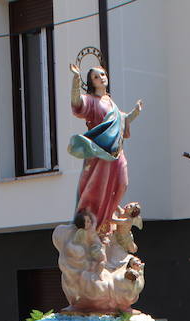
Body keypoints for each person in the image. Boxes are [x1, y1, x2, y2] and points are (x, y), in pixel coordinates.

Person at [67, 62, 143, 231]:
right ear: (91, 83)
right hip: (99, 153)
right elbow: (77, 103)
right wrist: (76, 80)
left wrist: (135, 113)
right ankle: (96, 223)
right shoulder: (91, 101)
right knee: (97, 188)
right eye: (96, 76)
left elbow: (121, 122)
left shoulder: (111, 103)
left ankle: (109, 216)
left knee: (122, 183)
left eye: (102, 74)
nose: (101, 78)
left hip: (116, 152)